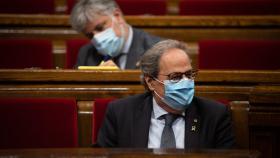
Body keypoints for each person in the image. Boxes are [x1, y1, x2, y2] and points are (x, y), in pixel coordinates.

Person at [97, 39, 235, 148]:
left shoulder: (214, 114)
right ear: (151, 82)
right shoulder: (120, 113)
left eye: (189, 74)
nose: (185, 82)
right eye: (175, 77)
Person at [70, 0, 162, 69]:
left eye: (100, 28)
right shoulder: (86, 53)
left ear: (117, 16)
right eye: (90, 35)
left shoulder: (158, 50)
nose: (97, 38)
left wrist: (119, 79)